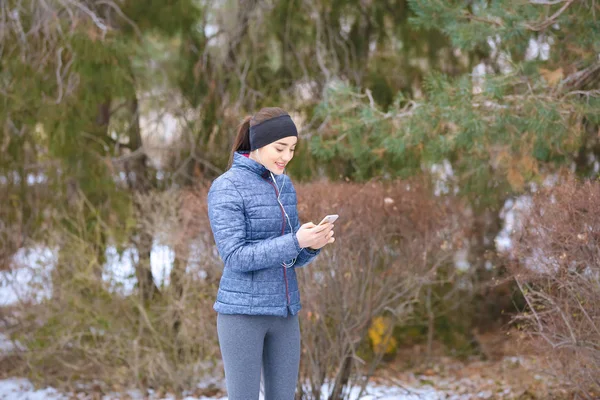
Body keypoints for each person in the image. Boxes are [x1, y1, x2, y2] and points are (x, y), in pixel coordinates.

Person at [207, 107, 335, 399]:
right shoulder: (226, 188)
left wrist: (311, 245)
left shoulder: (284, 185)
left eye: (292, 149)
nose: (287, 156)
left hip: (285, 313)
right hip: (242, 316)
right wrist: (295, 241)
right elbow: (235, 256)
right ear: (258, 143)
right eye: (280, 148)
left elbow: (289, 257)